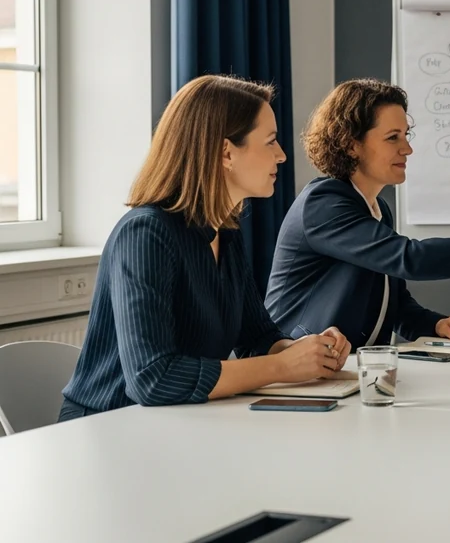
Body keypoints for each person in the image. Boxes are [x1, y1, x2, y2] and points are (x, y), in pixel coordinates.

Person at [59, 75, 351, 420]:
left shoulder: (224, 231)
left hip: (178, 424)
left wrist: (306, 352)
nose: (282, 155)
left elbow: (256, 337)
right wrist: (281, 367)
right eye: (270, 142)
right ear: (226, 152)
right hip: (109, 429)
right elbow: (152, 379)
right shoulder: (145, 234)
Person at [265, 79, 450, 351]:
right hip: (296, 370)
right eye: (393, 137)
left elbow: (393, 304)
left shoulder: (376, 209)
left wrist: (436, 325)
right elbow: (408, 258)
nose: (408, 149)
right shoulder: (323, 203)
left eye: (406, 135)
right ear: (351, 144)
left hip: (347, 371)